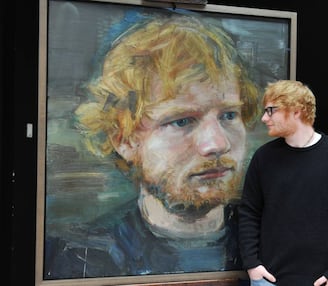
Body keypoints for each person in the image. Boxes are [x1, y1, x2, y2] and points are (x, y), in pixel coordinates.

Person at [44, 13, 261, 278]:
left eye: (228, 115)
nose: (217, 144)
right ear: (124, 139)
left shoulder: (277, 238)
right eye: (182, 121)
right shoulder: (78, 257)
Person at [238, 80, 328, 286]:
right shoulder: (264, 157)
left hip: (321, 281)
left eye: (271, 110)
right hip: (269, 280)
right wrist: (252, 264)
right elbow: (249, 213)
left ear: (296, 111)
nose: (264, 118)